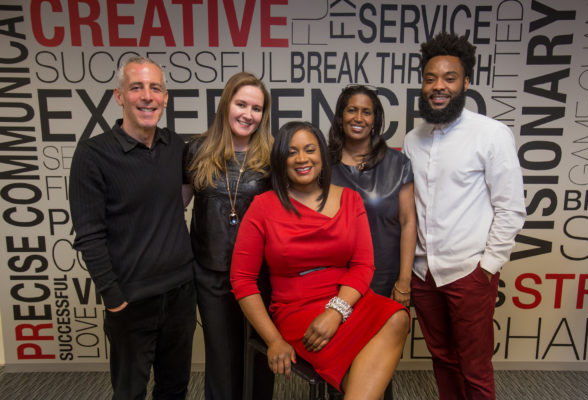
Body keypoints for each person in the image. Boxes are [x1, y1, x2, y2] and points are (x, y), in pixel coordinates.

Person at [231, 121, 410, 400]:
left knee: (397, 317)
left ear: (322, 156)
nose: (302, 158)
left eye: (310, 149)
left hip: (347, 300)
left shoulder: (350, 199)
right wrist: (273, 339)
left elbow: (363, 265)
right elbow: (242, 280)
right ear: (281, 160)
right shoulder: (263, 206)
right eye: (292, 152)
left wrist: (336, 312)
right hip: (297, 310)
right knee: (360, 372)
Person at [402, 33, 526, 400]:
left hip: (469, 271)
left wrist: (487, 267)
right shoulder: (413, 139)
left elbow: (510, 207)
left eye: (449, 78)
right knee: (442, 359)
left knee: (474, 367)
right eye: (430, 78)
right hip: (424, 273)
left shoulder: (491, 134)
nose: (438, 86)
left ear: (466, 83)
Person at [69, 57, 197, 399]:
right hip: (130, 300)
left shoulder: (176, 147)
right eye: (136, 87)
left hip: (181, 293)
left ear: (165, 98)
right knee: (129, 392)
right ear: (119, 96)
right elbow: (89, 236)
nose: (147, 96)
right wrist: (114, 300)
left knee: (175, 388)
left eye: (155, 88)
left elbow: (182, 195)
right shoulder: (92, 155)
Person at [183, 71, 274, 400]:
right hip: (211, 273)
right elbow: (175, 207)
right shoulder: (195, 150)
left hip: (260, 275)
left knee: (261, 353)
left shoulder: (273, 155)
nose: (248, 114)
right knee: (221, 358)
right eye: (241, 104)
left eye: (256, 108)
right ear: (226, 105)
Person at [328, 84, 416, 306]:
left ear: (375, 120)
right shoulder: (323, 165)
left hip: (385, 277)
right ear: (340, 117)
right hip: (333, 279)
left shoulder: (398, 164)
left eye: (366, 112)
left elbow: (408, 222)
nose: (358, 118)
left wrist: (404, 281)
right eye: (351, 110)